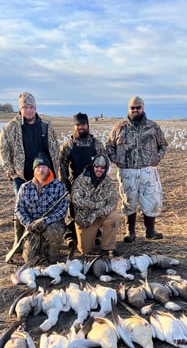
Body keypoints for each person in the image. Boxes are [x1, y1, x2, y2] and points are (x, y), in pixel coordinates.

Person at [0, 92, 60, 260]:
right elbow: (2, 148)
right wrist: (10, 170)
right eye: (26, 107)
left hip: (46, 174)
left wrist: (56, 171)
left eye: (32, 107)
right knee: (21, 208)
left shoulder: (45, 126)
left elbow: (54, 148)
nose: (29, 110)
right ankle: (20, 240)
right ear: (20, 109)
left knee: (49, 206)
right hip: (23, 176)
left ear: (35, 108)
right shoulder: (11, 128)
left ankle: (45, 239)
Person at [105, 96, 168, 242]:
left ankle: (150, 230)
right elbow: (109, 146)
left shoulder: (153, 127)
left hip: (147, 169)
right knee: (129, 200)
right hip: (127, 171)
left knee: (151, 199)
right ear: (128, 109)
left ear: (143, 108)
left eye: (138, 107)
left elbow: (163, 145)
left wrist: (155, 159)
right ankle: (130, 231)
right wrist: (118, 160)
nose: (135, 110)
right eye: (132, 107)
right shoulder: (119, 127)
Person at [59, 112, 105, 248]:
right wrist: (63, 182)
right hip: (74, 183)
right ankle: (71, 235)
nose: (80, 127)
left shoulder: (96, 144)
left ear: (87, 125)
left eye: (83, 124)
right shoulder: (68, 144)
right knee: (73, 209)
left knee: (92, 208)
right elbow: (61, 163)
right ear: (74, 126)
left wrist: (100, 180)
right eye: (78, 125)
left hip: (92, 182)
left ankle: (95, 234)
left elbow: (103, 162)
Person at [15, 156, 68, 263]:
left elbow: (62, 209)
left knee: (52, 231)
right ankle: (39, 248)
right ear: (34, 170)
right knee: (29, 259)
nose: (41, 170)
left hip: (52, 224)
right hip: (32, 226)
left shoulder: (59, 186)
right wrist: (29, 224)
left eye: (44, 167)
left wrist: (45, 221)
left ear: (49, 169)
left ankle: (54, 256)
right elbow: (19, 209)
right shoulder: (24, 187)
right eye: (38, 167)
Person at [71, 154, 122, 256]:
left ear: (106, 168)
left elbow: (112, 205)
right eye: (96, 167)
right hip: (85, 219)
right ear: (92, 166)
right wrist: (96, 205)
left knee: (115, 217)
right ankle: (85, 241)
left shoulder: (110, 183)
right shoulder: (81, 180)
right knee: (85, 251)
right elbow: (75, 199)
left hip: (100, 216)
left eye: (102, 167)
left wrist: (96, 213)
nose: (99, 170)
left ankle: (108, 247)